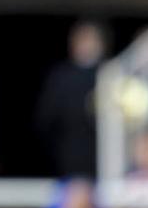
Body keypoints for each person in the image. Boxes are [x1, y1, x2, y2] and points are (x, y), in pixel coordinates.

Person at [36, 21, 106, 179]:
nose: (87, 45)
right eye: (83, 40)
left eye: (91, 40)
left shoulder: (110, 74)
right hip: (69, 156)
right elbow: (46, 118)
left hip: (102, 156)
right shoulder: (60, 77)